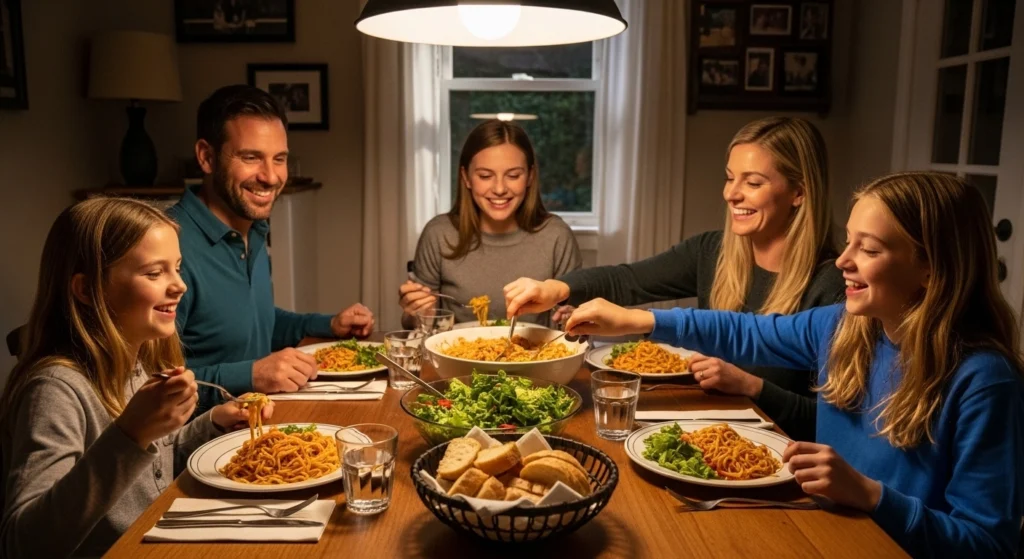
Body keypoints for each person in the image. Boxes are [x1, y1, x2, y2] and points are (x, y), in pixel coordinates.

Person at [562, 172, 1024, 558]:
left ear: (931, 268)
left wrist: (871, 496)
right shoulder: (843, 327)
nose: (843, 261)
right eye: (848, 242)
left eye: (869, 249)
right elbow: (744, 331)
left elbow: (988, 545)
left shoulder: (983, 381)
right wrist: (635, 319)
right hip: (827, 534)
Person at [504, 117, 843, 441]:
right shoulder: (711, 251)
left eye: (753, 182)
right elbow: (628, 280)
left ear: (798, 192)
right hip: (704, 431)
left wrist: (753, 386)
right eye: (729, 178)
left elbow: (830, 425)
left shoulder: (832, 286)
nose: (731, 194)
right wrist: (553, 288)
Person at [0, 198, 275, 557]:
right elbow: (23, 544)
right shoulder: (54, 390)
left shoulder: (135, 361)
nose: (180, 286)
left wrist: (213, 423)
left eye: (177, 268)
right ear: (87, 290)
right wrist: (131, 433)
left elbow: (154, 462)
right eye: (154, 272)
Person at [169, 85, 375, 408]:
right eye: (251, 157)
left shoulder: (252, 230)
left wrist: (329, 324)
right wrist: (251, 375)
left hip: (261, 421)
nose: (270, 176)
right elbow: (145, 387)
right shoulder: (166, 247)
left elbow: (253, 323)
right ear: (206, 157)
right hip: (196, 445)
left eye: (279, 159)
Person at [399, 119, 582, 328]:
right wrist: (416, 312)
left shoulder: (556, 236)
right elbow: (417, 327)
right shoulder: (439, 234)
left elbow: (568, 328)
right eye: (485, 176)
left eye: (513, 175)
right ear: (466, 178)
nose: (499, 189)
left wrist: (572, 317)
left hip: (534, 357)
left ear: (530, 177)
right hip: (457, 357)